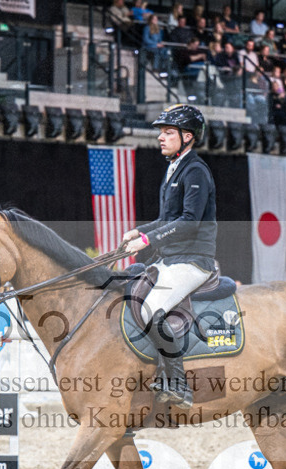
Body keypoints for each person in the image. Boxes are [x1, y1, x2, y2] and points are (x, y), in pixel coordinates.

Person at [121, 104, 216, 410]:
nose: (161, 138)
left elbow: (189, 220)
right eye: (161, 133)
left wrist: (148, 239)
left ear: (187, 137)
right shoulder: (174, 168)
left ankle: (178, 383)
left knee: (151, 309)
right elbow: (167, 219)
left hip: (193, 261)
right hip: (171, 258)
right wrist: (140, 231)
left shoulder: (196, 171)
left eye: (168, 132)